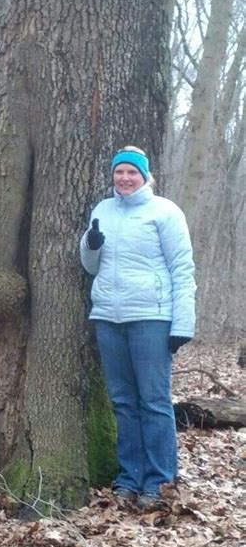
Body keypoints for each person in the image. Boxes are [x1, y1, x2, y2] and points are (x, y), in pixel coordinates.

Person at [80, 146, 196, 508]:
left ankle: (159, 482)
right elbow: (90, 266)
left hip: (151, 318)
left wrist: (183, 323)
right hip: (108, 319)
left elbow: (182, 268)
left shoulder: (165, 212)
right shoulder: (102, 209)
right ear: (113, 176)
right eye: (120, 173)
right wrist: (91, 244)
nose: (125, 178)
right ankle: (129, 479)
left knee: (154, 401)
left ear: (145, 176)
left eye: (132, 172)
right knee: (123, 403)